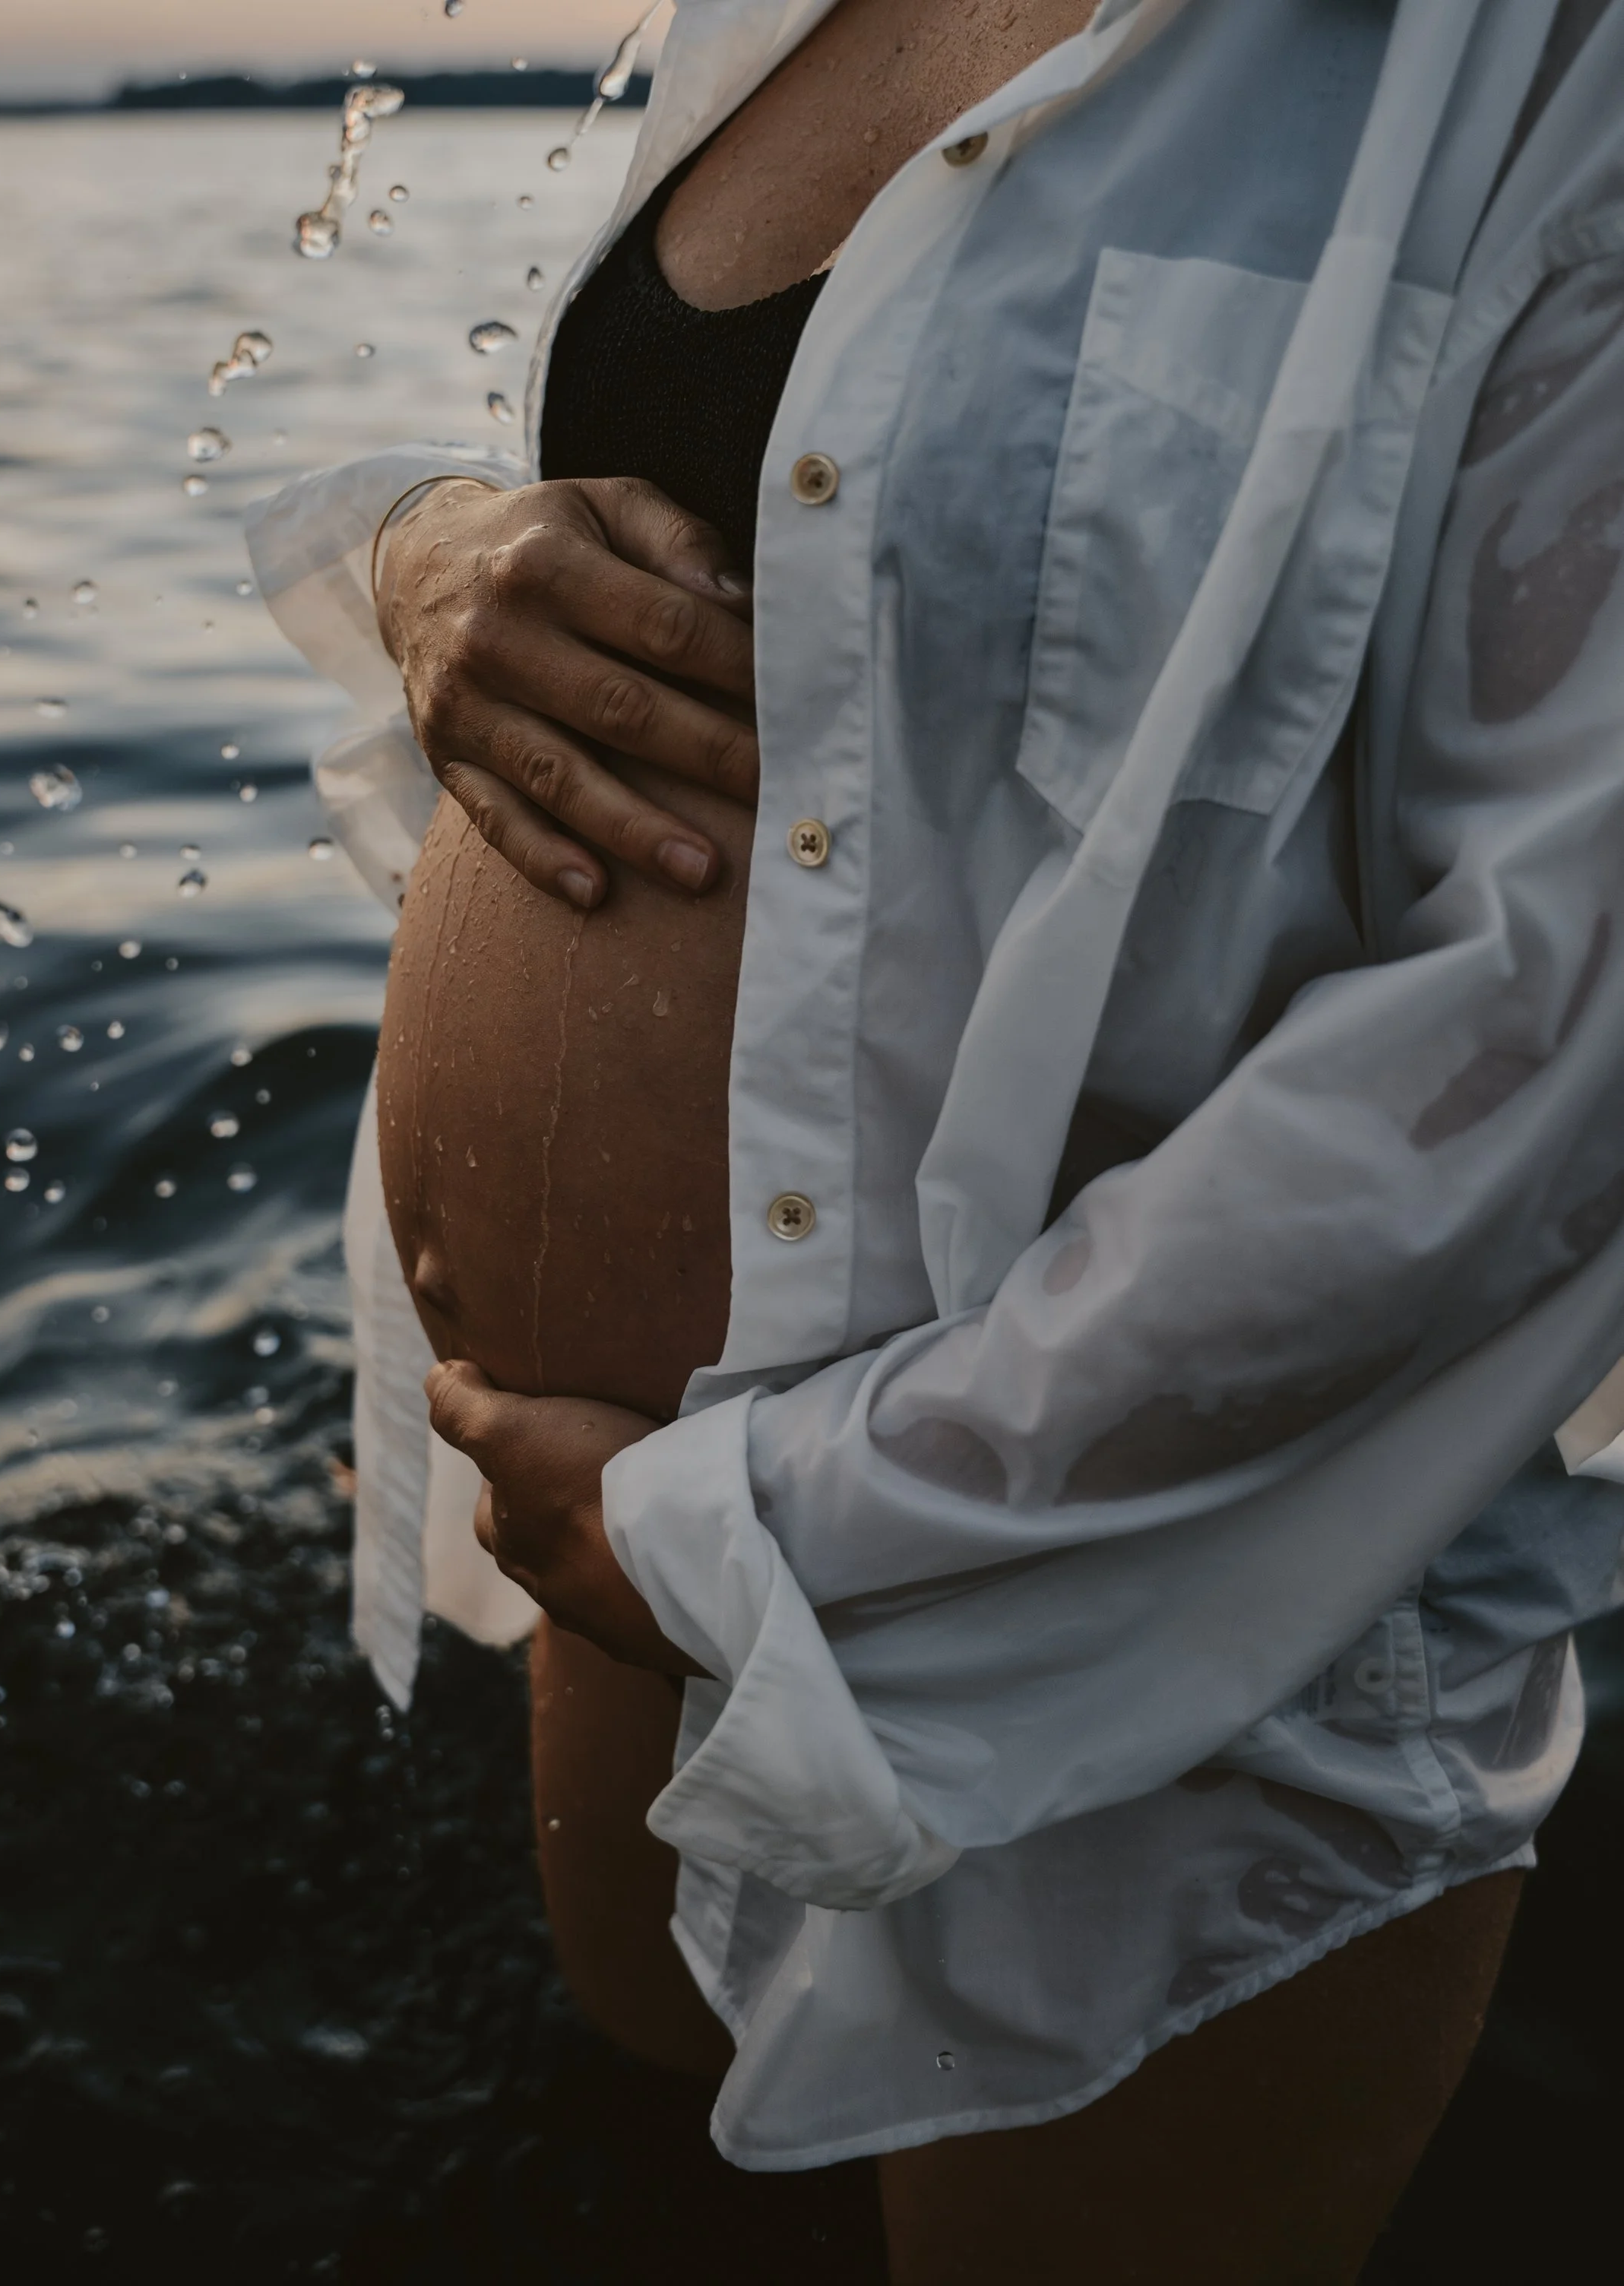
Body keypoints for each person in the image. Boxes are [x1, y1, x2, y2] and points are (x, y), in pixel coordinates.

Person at [249, 2, 1624, 2275]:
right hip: (616, 1510)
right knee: (649, 2152)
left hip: (1111, 1616)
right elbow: (812, 521)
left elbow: (1545, 1031)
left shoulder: (1536, 61)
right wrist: (417, 550)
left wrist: (766, 1521)